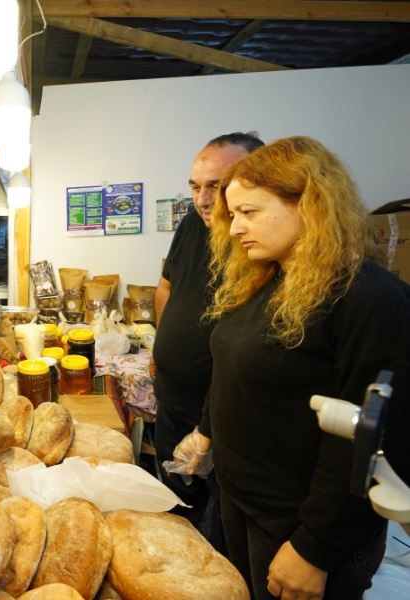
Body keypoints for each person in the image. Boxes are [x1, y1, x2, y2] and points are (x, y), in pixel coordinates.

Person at [172, 136, 410, 599]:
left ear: (310, 204)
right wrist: (206, 432)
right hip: (242, 503)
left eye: (250, 212)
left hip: (300, 525)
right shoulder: (267, 278)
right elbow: (234, 372)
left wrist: (314, 548)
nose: (235, 227)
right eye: (233, 214)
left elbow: (373, 441)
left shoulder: (369, 300)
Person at [151, 132, 264, 551]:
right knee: (176, 503)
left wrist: (209, 428)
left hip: (219, 418)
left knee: (216, 533)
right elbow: (165, 286)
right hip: (173, 400)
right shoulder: (191, 225)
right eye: (196, 187)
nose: (202, 200)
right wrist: (162, 348)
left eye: (215, 187)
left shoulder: (256, 243)